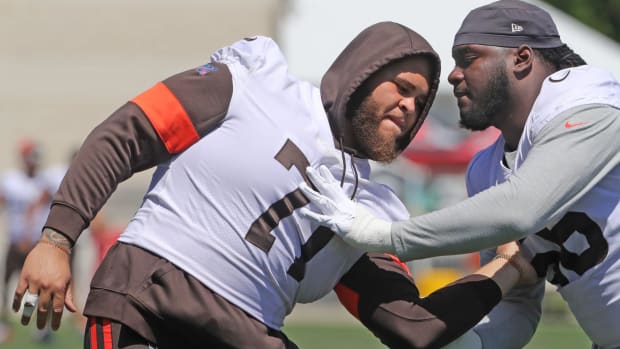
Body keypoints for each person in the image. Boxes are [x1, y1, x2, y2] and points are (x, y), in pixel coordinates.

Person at [13, 22, 536, 349]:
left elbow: (413, 327)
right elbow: (127, 133)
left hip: (244, 333)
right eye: (400, 87)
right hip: (153, 302)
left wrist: (512, 266)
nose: (409, 106)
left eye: (420, 104)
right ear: (361, 72)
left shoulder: (372, 208)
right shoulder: (253, 81)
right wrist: (56, 238)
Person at [299, 1, 620, 348]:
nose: (453, 74)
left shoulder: (591, 107)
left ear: (522, 58)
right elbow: (517, 299)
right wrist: (470, 342)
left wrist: (380, 234)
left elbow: (521, 209)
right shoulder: (487, 169)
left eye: (469, 57)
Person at [0, 140, 48, 342]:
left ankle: (37, 325)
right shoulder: (11, 180)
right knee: (7, 282)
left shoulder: (44, 181)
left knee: (36, 287)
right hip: (15, 239)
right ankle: (3, 324)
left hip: (36, 243)